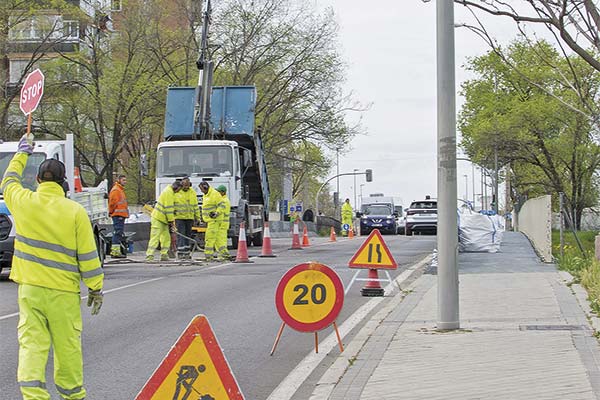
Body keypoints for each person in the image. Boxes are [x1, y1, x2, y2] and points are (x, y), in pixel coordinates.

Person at [1, 135, 104, 400]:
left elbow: (8, 181)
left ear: (37, 180)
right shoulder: (75, 212)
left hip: (30, 290)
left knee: (32, 344)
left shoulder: (23, 202)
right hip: (63, 293)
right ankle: (72, 395)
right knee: (67, 346)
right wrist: (95, 288)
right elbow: (89, 257)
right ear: (63, 183)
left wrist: (23, 152)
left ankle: (34, 395)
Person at [146, 180, 182, 262]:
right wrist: (171, 222)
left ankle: (164, 254)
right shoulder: (168, 193)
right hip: (158, 218)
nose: (179, 191)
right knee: (155, 237)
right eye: (179, 189)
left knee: (166, 238)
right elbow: (168, 209)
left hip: (164, 219)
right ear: (177, 187)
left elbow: (171, 208)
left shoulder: (170, 192)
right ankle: (149, 255)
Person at [174, 177, 200, 259]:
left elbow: (195, 206)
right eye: (184, 185)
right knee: (181, 235)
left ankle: (187, 253)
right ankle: (181, 253)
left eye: (187, 185)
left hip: (189, 218)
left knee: (188, 235)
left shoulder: (192, 192)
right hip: (179, 217)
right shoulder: (177, 192)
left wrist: (197, 217)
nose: (186, 187)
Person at [198, 181, 220, 261]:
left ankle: (208, 255)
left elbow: (221, 205)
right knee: (214, 238)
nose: (201, 191)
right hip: (209, 221)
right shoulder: (205, 195)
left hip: (213, 220)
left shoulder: (215, 194)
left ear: (205, 187)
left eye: (201, 189)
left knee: (209, 238)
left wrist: (216, 213)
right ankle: (219, 254)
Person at [108, 174, 129, 258]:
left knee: (119, 232)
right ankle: (115, 252)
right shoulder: (116, 190)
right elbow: (112, 203)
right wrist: (111, 212)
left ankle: (116, 251)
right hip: (118, 214)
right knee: (118, 232)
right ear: (119, 180)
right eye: (123, 180)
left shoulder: (119, 190)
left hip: (120, 214)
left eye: (125, 180)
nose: (125, 182)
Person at [215, 185, 231, 260]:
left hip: (222, 224)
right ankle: (222, 254)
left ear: (223, 192)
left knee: (221, 241)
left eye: (218, 192)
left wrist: (215, 213)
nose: (217, 193)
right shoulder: (224, 200)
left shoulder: (224, 201)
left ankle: (224, 254)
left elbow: (220, 211)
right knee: (220, 240)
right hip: (222, 224)